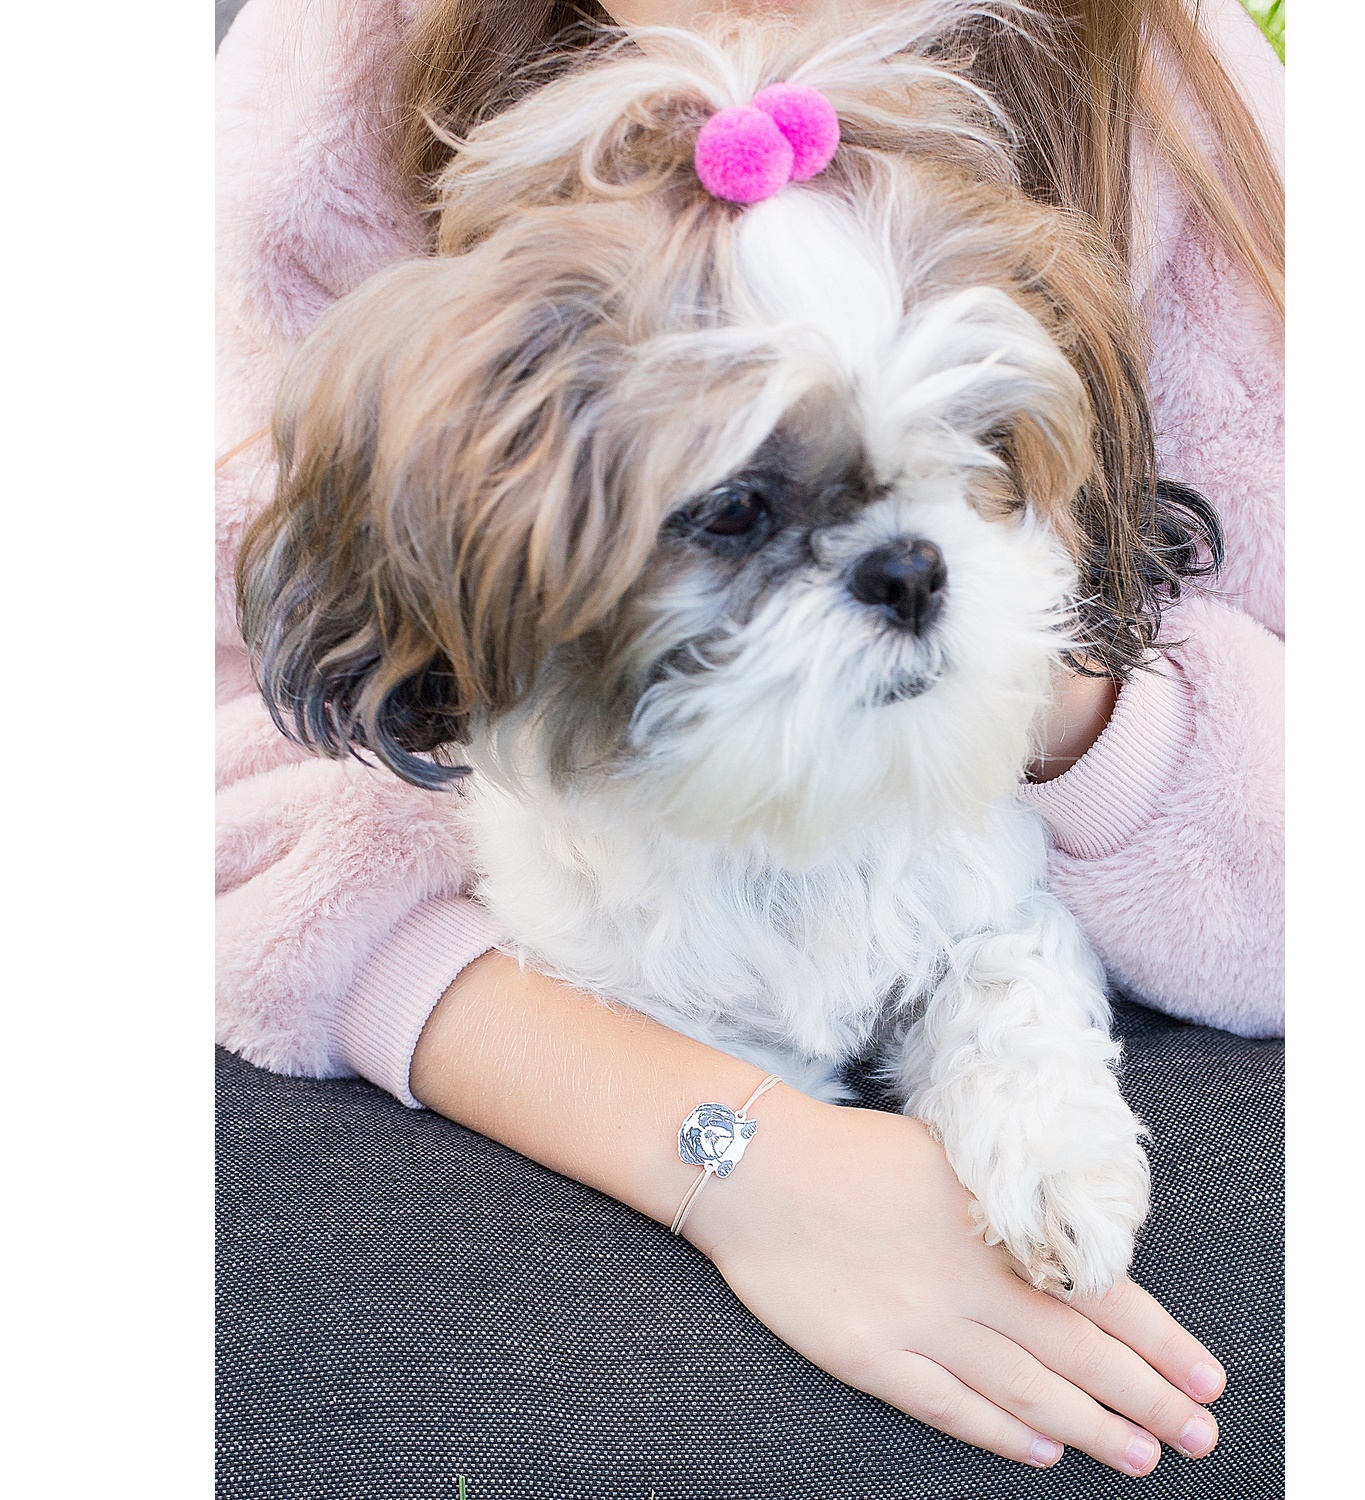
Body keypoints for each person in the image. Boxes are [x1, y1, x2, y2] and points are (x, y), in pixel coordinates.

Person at [215, 0, 1283, 1481]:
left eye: (971, 463)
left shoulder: (1169, 89)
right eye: (737, 517)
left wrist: (1073, 709)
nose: (902, 567)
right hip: (503, 1026)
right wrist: (730, 1156)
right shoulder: (344, 54)